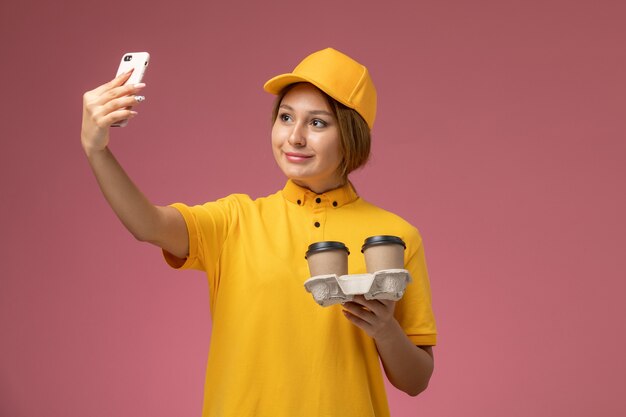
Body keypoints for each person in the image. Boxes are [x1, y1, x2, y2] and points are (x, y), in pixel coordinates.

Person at [81, 47, 437, 417]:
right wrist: (97, 150)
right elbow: (148, 225)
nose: (294, 137)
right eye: (285, 117)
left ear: (352, 135)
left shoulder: (395, 235)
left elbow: (416, 380)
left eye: (317, 123)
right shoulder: (235, 221)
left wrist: (384, 329)